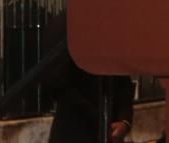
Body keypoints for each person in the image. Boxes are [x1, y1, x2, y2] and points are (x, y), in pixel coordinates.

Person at [43, 11, 134, 143]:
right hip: (74, 132)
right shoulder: (61, 25)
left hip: (110, 130)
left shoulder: (109, 25)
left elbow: (123, 79)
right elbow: (58, 85)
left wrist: (125, 121)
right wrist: (103, 120)